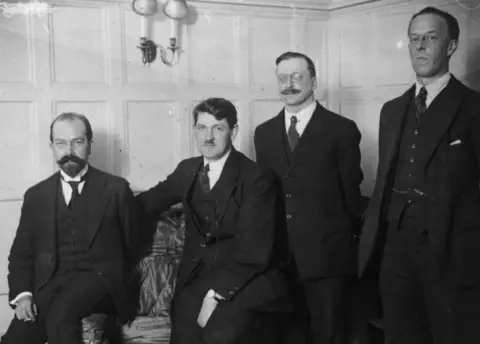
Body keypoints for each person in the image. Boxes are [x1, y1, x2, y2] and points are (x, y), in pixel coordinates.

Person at [358, 6, 480, 343]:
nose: (421, 47)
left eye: (430, 38)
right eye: (414, 39)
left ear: (451, 46)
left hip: (452, 255)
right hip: (395, 250)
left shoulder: (473, 108)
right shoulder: (392, 109)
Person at [136, 97, 281, 344]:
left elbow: (253, 252)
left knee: (217, 333)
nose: (208, 137)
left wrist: (216, 295)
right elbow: (146, 203)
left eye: (218, 128)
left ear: (233, 132)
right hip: (196, 277)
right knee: (184, 332)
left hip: (242, 279)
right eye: (202, 128)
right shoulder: (188, 169)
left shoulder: (256, 178)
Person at [254, 51, 365, 344]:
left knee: (328, 336)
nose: (288, 84)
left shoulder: (341, 130)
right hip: (279, 260)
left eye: (296, 77)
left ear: (313, 81)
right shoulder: (263, 134)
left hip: (327, 259)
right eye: (282, 78)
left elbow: (351, 197)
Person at [1, 113, 138, 344]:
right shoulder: (37, 195)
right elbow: (21, 254)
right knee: (17, 336)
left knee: (61, 315)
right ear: (52, 147)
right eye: (61, 143)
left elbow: (134, 242)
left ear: (90, 145)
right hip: (52, 281)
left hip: (100, 281)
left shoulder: (116, 189)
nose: (69, 151)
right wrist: (23, 295)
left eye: (78, 142)